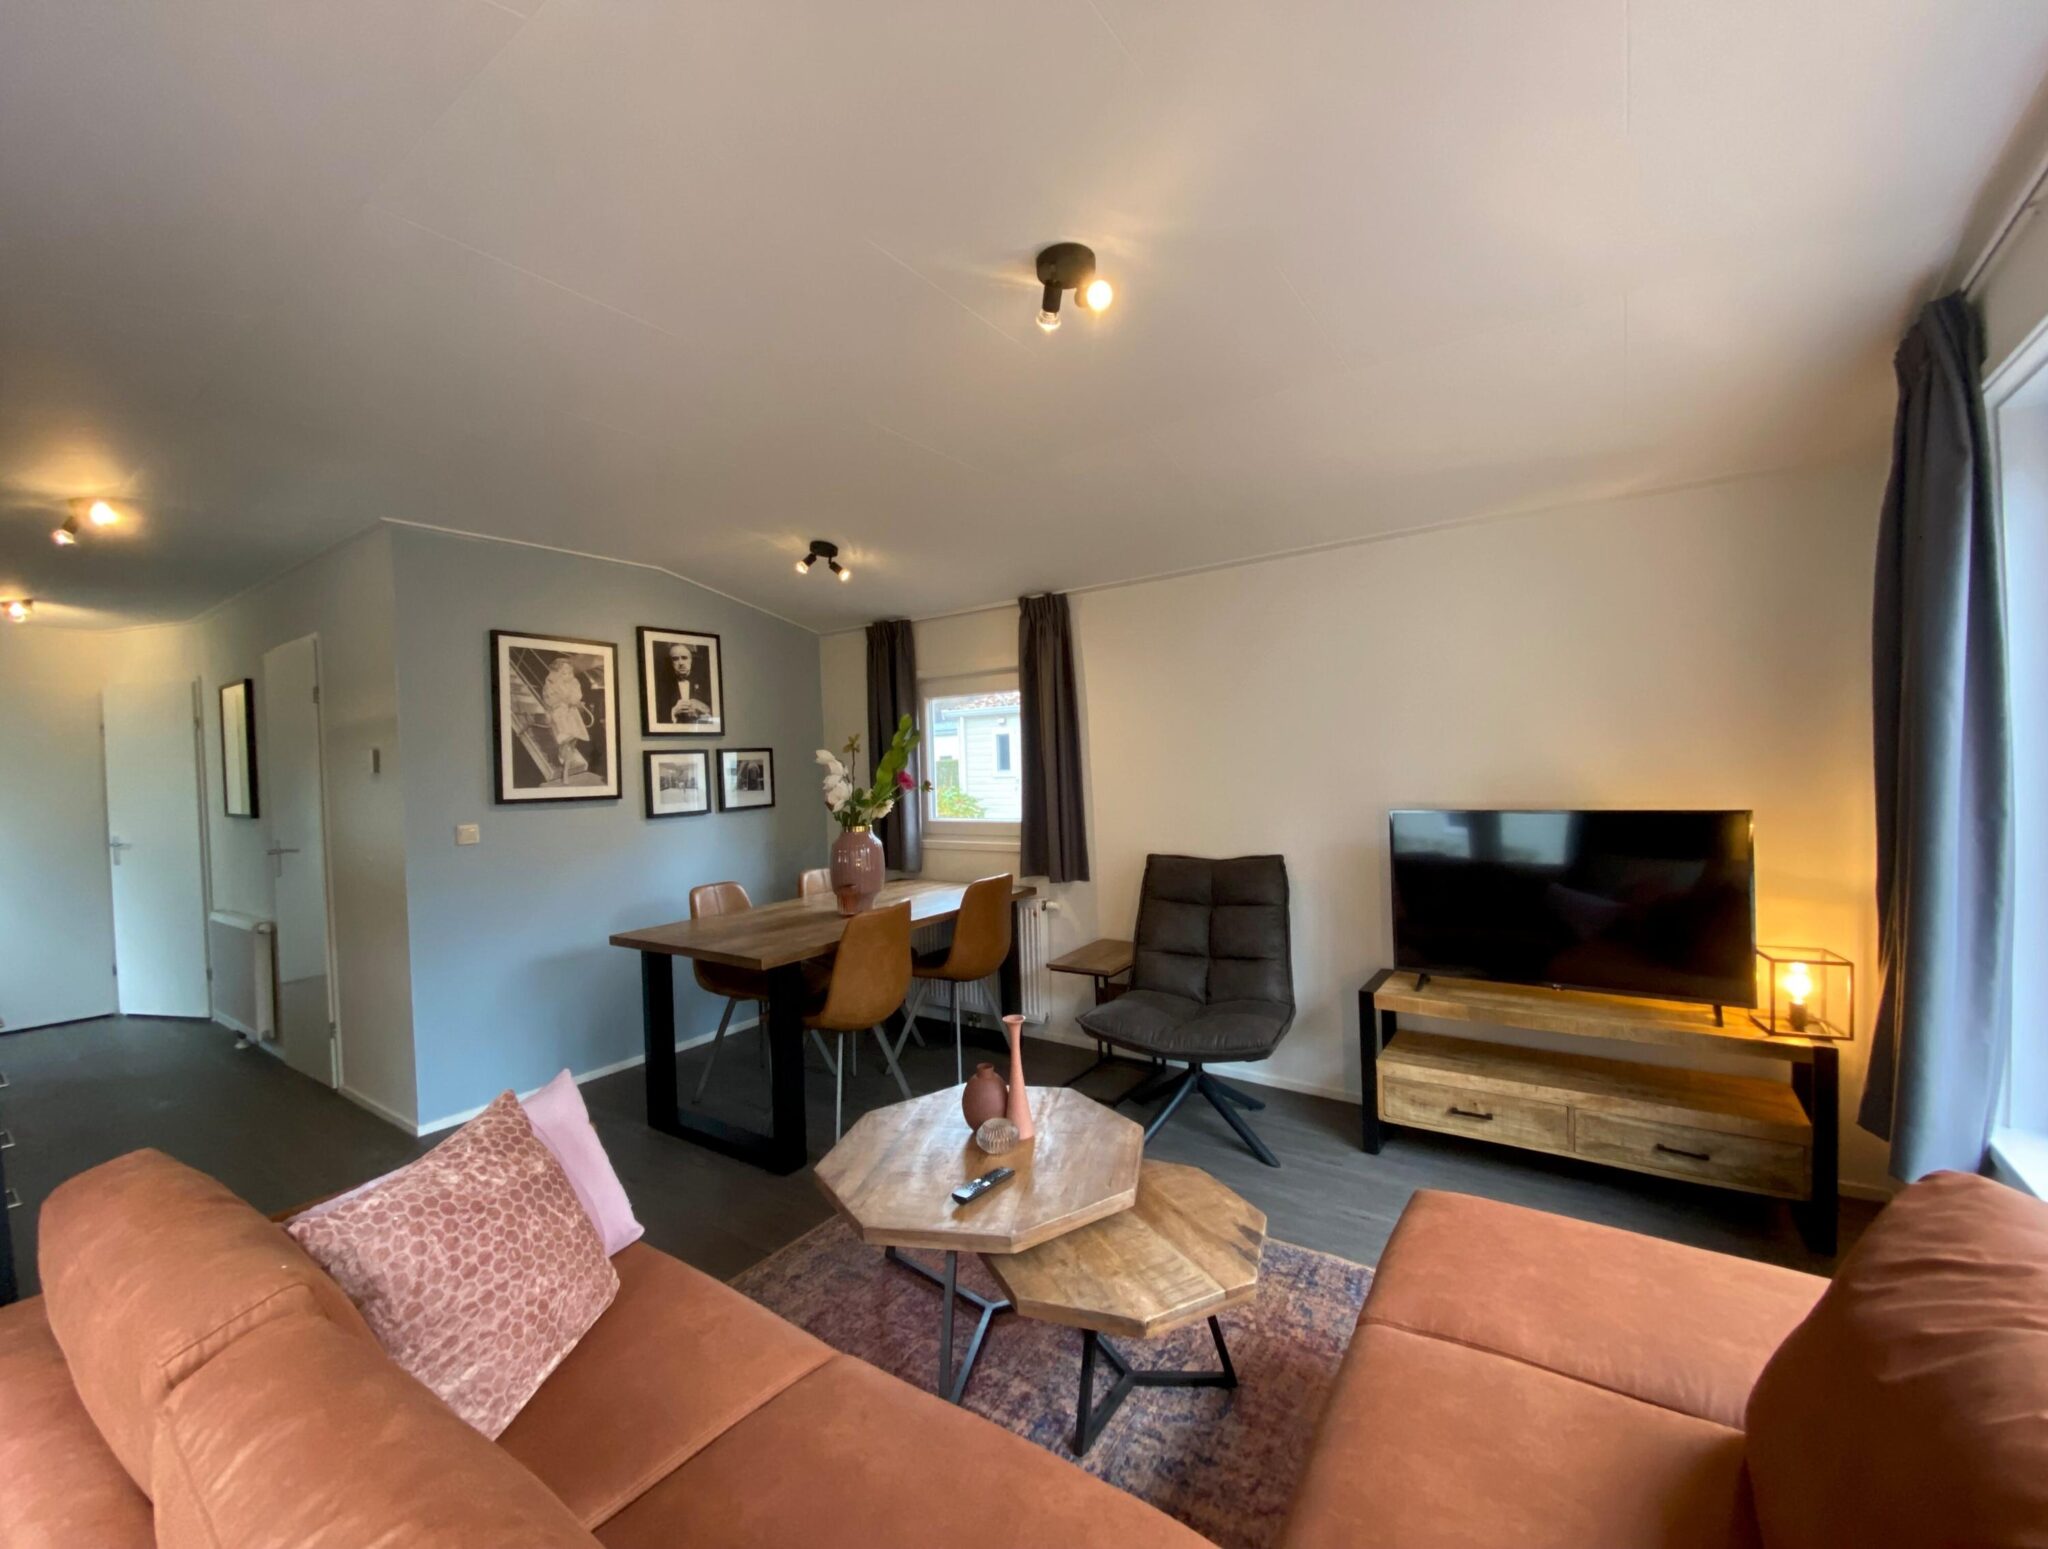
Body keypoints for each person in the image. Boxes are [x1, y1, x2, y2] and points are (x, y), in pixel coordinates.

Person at [542, 657, 592, 781]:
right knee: (566, 738)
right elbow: (549, 698)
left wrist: (574, 701)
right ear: (558, 671)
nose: (568, 674)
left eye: (570, 671)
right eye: (564, 672)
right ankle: (564, 767)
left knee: (573, 741)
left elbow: (576, 696)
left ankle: (566, 766)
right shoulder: (551, 682)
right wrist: (563, 701)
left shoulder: (574, 682)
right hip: (559, 712)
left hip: (572, 712)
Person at [666, 641, 712, 725]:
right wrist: (673, 711)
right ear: (671, 662)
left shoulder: (706, 684)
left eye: (684, 658)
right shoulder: (662, 687)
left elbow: (715, 719)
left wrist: (702, 710)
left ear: (691, 660)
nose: (681, 663)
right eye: (675, 659)